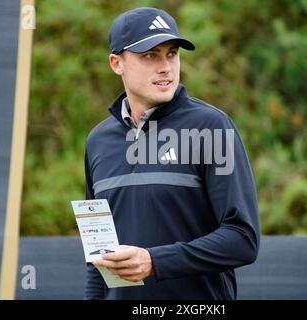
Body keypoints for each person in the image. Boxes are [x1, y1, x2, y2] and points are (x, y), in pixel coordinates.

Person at [84, 7, 260, 299]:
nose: (165, 66)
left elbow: (243, 240)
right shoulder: (98, 141)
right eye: (150, 55)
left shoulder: (212, 127)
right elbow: (97, 253)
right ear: (117, 63)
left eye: (172, 54)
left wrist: (155, 262)